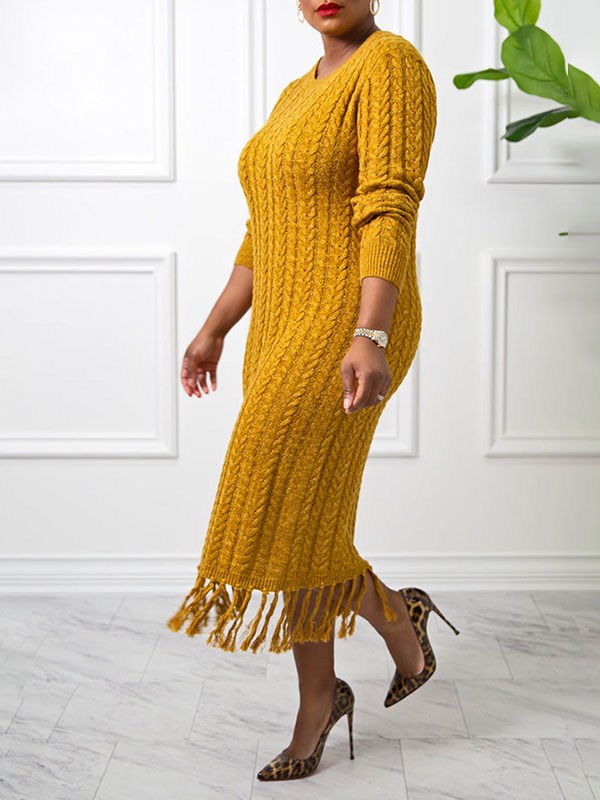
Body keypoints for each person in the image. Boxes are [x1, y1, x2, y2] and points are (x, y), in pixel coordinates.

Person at [167, 0, 460, 782]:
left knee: (284, 508)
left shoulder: (391, 64)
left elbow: (390, 202)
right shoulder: (297, 93)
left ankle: (359, 661)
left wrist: (372, 333)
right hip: (281, 321)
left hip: (351, 316)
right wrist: (215, 328)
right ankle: (376, 642)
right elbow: (264, 230)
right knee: (304, 512)